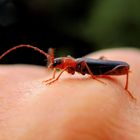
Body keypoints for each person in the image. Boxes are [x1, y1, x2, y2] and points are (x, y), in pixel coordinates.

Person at [0, 48, 140, 140]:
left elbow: (68, 66)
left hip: (113, 69)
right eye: (55, 65)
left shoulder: (75, 64)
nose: (54, 66)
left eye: (56, 64)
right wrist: (53, 77)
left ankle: (126, 89)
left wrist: (94, 78)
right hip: (106, 69)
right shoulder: (70, 64)